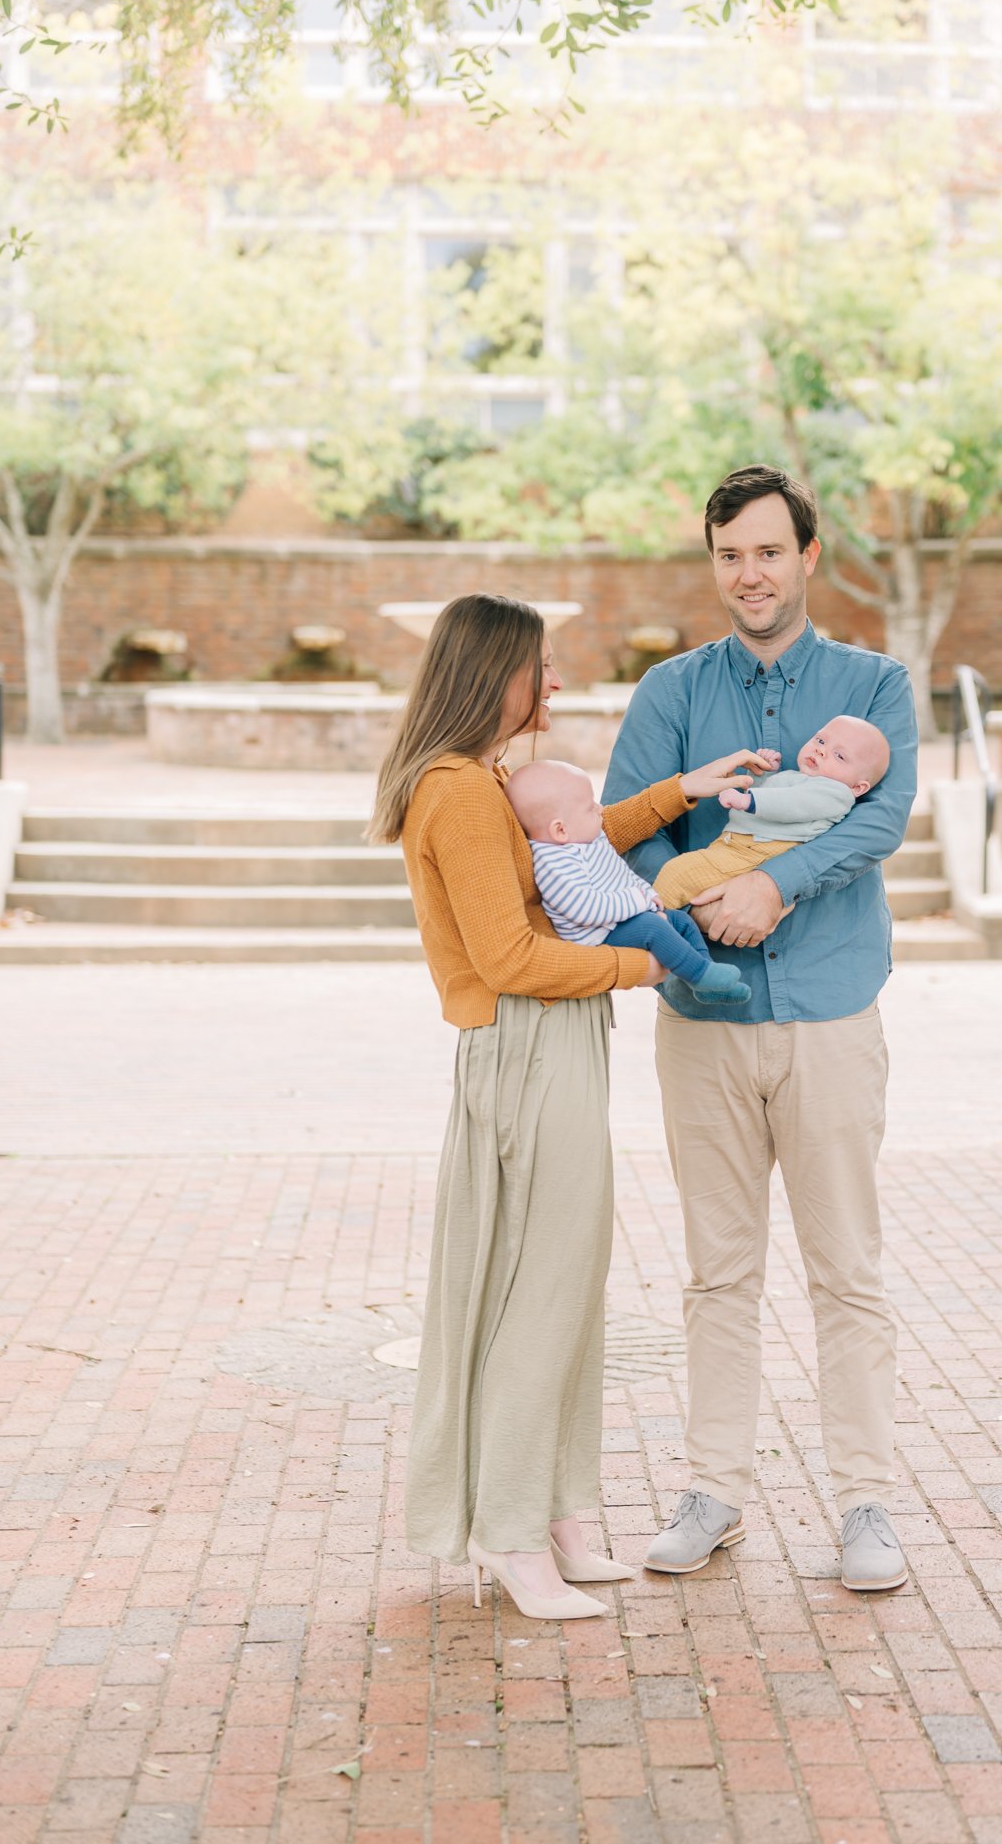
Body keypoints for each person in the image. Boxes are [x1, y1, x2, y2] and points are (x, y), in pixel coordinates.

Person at [369, 591, 770, 1622]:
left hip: (554, 1038)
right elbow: (506, 957)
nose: (553, 683)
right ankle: (508, 1531)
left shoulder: (490, 777)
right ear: (491, 672)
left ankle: (553, 1510)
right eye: (538, 667)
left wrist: (683, 787)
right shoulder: (456, 791)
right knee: (539, 1291)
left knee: (568, 1280)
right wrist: (645, 967)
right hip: (525, 1044)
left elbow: (576, 845)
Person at [602, 466, 918, 1592]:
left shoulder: (875, 685)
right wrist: (691, 906)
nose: (750, 573)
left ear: (807, 557)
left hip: (830, 1010)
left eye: (769, 551)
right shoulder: (670, 691)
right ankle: (714, 1490)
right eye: (731, 553)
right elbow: (629, 832)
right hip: (703, 1018)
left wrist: (774, 892)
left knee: (846, 1268)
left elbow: (878, 820)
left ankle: (866, 1502)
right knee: (717, 1270)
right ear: (714, 562)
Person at [507, 758, 751, 1004]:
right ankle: (700, 975)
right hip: (595, 934)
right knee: (652, 928)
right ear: (560, 830)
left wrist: (646, 894)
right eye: (589, 808)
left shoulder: (585, 839)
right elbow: (585, 910)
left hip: (617, 918)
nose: (600, 809)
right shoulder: (553, 864)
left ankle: (705, 976)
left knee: (681, 920)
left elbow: (620, 875)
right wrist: (639, 901)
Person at [653, 715, 890, 910]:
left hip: (757, 852)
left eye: (839, 756)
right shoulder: (799, 778)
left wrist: (747, 800)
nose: (821, 751)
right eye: (820, 741)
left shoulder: (836, 793)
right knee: (690, 882)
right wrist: (763, 774)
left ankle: (651, 930)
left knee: (677, 875)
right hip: (740, 847)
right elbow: (777, 796)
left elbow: (792, 804)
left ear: (858, 787)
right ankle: (666, 933)